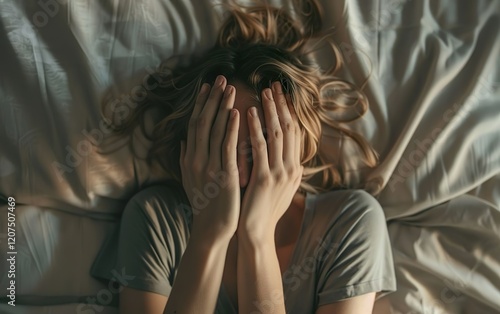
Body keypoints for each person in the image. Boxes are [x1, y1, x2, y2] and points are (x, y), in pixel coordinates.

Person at [91, 1, 396, 313]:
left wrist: (257, 236)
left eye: (264, 143)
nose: (241, 172)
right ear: (192, 145)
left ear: (299, 145)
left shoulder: (350, 223)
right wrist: (210, 236)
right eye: (221, 142)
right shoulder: (154, 219)